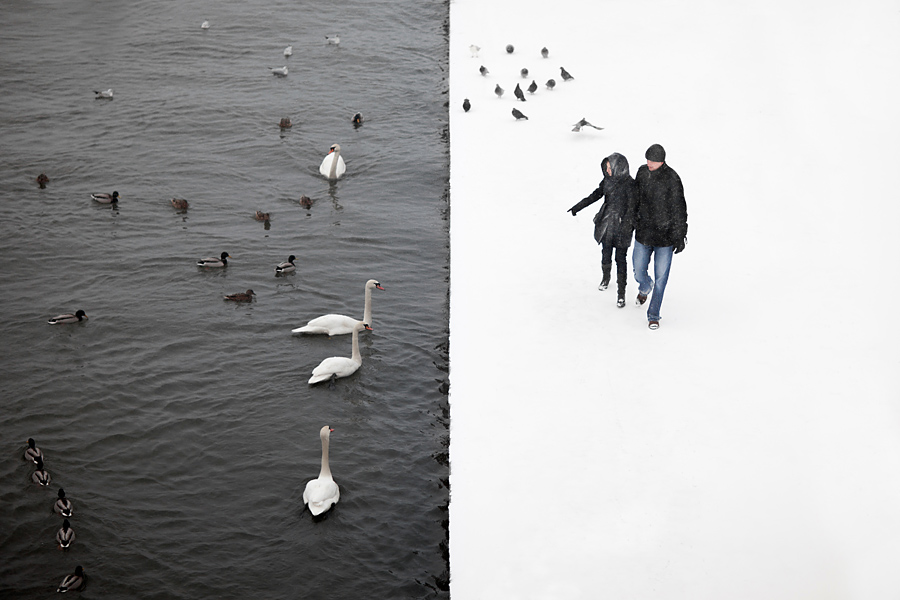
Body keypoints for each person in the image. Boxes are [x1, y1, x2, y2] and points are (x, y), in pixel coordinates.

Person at [568, 153, 636, 307]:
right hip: (606, 224)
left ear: (619, 167)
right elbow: (595, 195)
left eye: (610, 167)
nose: (608, 170)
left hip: (622, 228)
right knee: (605, 253)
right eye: (606, 168)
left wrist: (627, 226)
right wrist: (578, 206)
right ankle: (606, 278)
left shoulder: (630, 185)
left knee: (621, 259)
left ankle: (621, 293)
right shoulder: (607, 181)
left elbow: (632, 208)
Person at [632, 144, 688, 330]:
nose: (649, 163)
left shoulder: (672, 179)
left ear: (662, 161)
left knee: (662, 278)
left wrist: (680, 235)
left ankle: (653, 314)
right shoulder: (642, 173)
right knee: (638, 269)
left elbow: (680, 209)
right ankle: (645, 285)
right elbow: (634, 198)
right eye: (647, 159)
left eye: (653, 161)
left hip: (665, 238)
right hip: (644, 233)